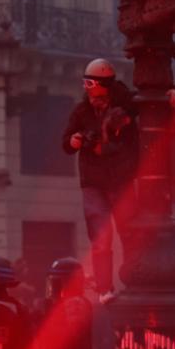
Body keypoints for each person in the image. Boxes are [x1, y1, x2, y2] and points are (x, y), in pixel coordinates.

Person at [61, 58, 140, 304]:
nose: (88, 89)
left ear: (105, 84)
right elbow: (66, 143)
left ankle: (134, 281)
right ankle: (105, 288)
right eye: (85, 84)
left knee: (130, 233)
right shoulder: (81, 111)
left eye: (91, 83)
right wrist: (73, 141)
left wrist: (174, 92)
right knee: (100, 237)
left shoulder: (126, 103)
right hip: (94, 181)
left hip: (120, 179)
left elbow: (149, 100)